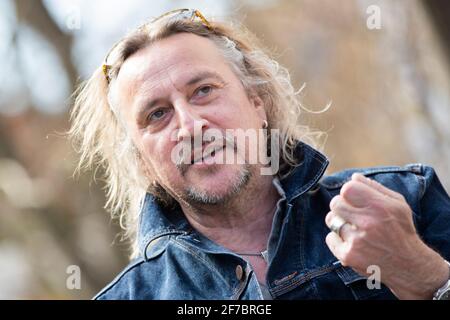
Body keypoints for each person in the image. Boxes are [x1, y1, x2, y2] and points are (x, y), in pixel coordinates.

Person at [69, 9, 450, 300]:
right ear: (140, 160)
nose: (190, 125)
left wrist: (425, 275)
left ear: (257, 102)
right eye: (157, 114)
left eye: (203, 90)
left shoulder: (405, 200)